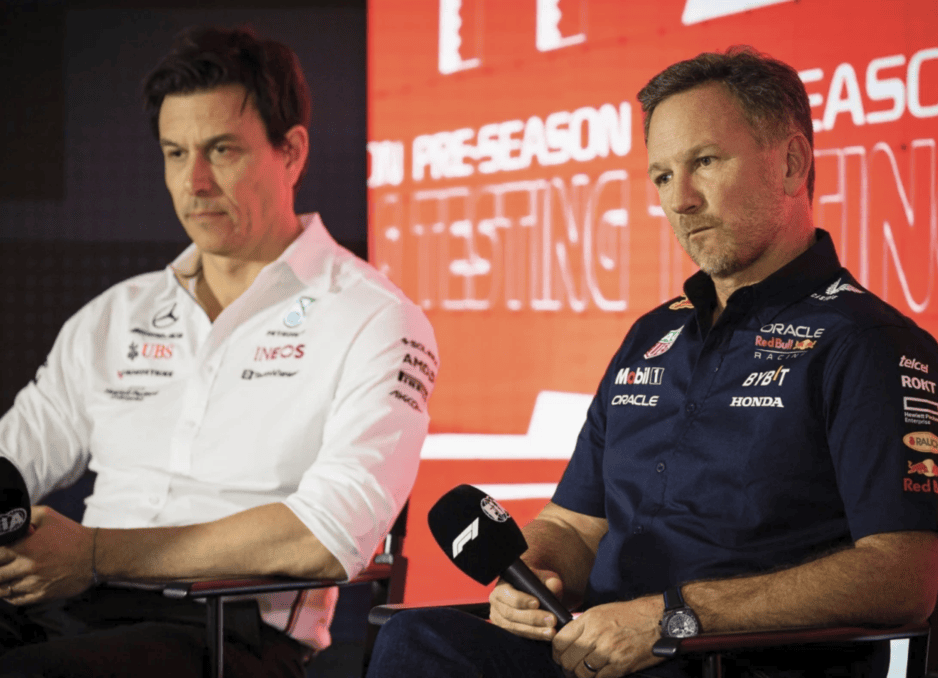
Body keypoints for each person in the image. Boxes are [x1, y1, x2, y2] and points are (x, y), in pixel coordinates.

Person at [365, 45, 938, 678]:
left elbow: (903, 574)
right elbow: (573, 525)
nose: (680, 200)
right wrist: (538, 575)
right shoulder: (652, 334)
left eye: (705, 163)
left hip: (730, 661)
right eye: (663, 176)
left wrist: (675, 617)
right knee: (419, 641)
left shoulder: (868, 342)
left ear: (792, 163)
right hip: (595, 653)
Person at [0, 25, 437, 678]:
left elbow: (328, 536)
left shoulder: (375, 317)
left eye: (221, 150)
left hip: (230, 634)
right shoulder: (116, 314)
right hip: (62, 607)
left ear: (292, 152)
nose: (193, 182)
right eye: (173, 153)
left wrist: (97, 552)